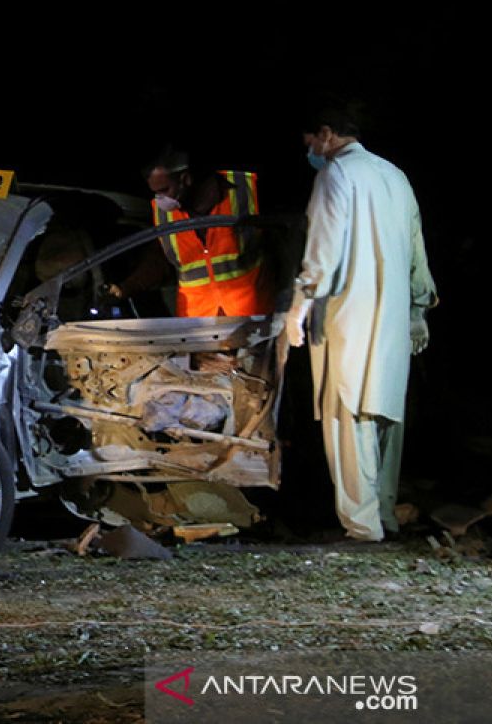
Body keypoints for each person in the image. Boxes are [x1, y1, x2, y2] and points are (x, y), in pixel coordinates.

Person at [285, 105, 437, 542]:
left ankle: (363, 524)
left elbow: (322, 252)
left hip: (347, 313)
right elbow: (416, 250)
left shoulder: (336, 175)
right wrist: (418, 310)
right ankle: (384, 514)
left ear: (327, 134)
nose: (311, 151)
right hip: (390, 317)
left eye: (311, 142)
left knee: (347, 416)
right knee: (385, 415)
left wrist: (298, 309)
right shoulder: (395, 176)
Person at [108, 147, 270, 316]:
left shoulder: (245, 190)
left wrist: (288, 299)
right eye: (155, 193)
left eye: (164, 190)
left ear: (185, 179)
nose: (160, 199)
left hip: (249, 315)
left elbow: (285, 242)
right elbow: (158, 260)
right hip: (197, 322)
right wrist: (125, 287)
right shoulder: (163, 213)